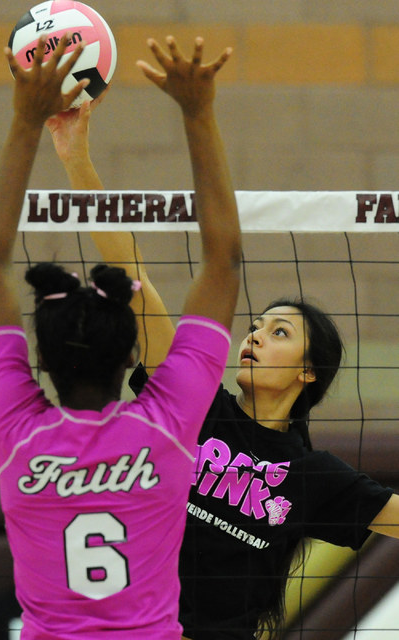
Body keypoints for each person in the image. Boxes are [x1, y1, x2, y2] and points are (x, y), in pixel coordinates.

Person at [49, 46, 399, 640]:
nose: (256, 335)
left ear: (308, 373)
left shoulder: (314, 477)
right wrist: (74, 156)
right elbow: (132, 274)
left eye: (280, 332)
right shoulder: (194, 406)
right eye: (258, 325)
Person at [0, 32, 241, 639]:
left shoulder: (19, 435)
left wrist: (23, 122)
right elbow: (224, 261)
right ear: (133, 356)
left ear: (38, 357)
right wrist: (199, 113)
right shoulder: (167, 426)